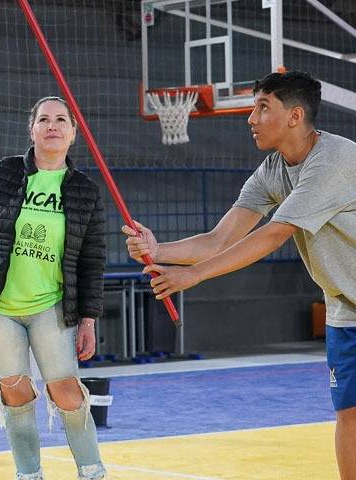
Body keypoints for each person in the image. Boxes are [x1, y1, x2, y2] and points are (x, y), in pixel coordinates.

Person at [122, 70, 356, 480]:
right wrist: (160, 252)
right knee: (349, 413)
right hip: (345, 310)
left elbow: (273, 235)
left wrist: (193, 276)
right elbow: (220, 239)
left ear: (295, 116)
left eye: (263, 108)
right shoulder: (273, 170)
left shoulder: (334, 160)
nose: (251, 118)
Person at [0, 96, 108, 480]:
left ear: (73, 133)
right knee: (15, 391)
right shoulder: (1, 174)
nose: (52, 126)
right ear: (31, 130)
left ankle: (92, 471)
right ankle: (29, 474)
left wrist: (88, 319)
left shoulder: (84, 190)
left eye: (61, 120)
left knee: (66, 390)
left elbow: (92, 260)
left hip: (51, 307)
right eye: (44, 119)